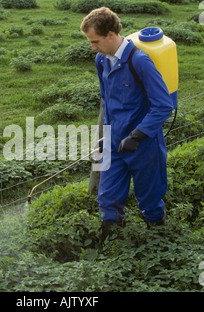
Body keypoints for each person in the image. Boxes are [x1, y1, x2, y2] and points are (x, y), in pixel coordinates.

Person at [80, 7, 173, 238]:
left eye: (96, 41)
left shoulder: (139, 61)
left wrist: (138, 135)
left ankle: (159, 245)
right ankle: (111, 245)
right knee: (107, 197)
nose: (92, 46)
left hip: (143, 144)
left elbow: (163, 104)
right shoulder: (101, 60)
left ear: (111, 34)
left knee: (150, 199)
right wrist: (106, 133)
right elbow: (107, 101)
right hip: (114, 141)